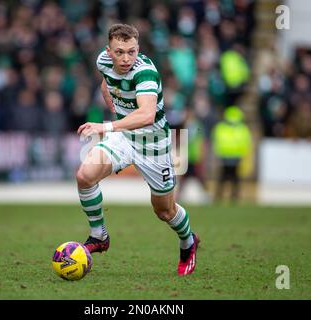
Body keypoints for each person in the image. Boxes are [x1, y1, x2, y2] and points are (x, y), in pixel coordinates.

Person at [76, 24, 199, 276]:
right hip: (124, 137)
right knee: (84, 176)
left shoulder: (145, 73)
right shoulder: (103, 61)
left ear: (138, 49)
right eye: (119, 52)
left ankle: (188, 241)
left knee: (164, 211)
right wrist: (109, 100)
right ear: (108, 51)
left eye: (131, 52)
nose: (126, 59)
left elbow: (146, 114)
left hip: (153, 145)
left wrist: (106, 125)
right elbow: (106, 82)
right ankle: (99, 235)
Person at [212, 105, 252, 202]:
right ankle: (232, 197)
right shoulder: (242, 128)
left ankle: (221, 196)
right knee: (232, 178)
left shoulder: (221, 127)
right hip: (234, 156)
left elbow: (217, 141)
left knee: (226, 178)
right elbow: (246, 142)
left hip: (226, 155)